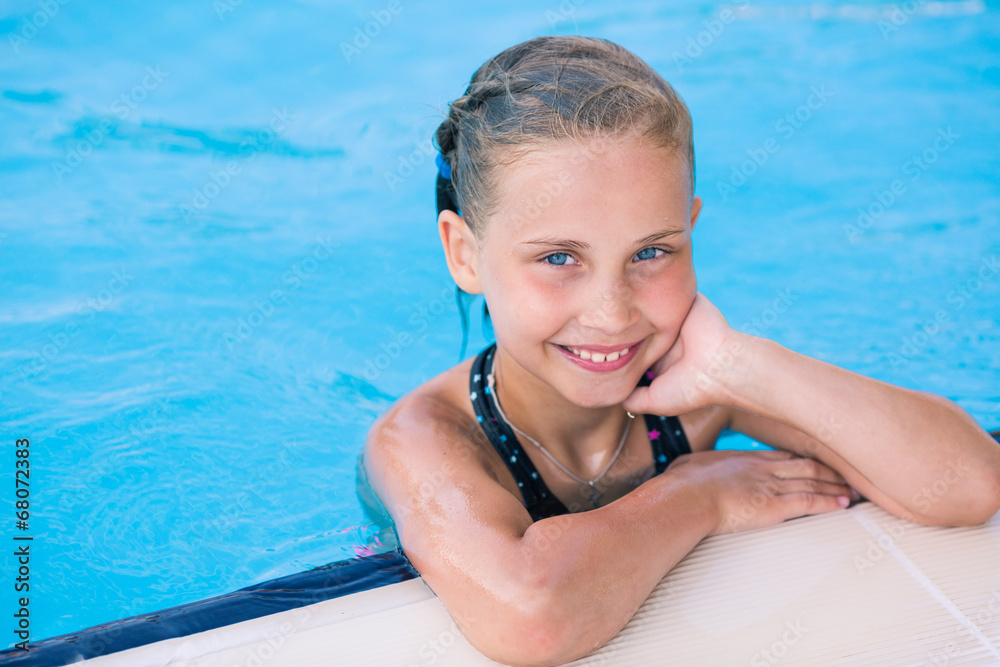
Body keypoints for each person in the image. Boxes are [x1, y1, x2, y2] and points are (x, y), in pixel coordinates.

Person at [362, 35, 1000, 667]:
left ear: (690, 231)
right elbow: (529, 618)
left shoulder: (694, 385)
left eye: (650, 252)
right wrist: (699, 494)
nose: (612, 314)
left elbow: (969, 485)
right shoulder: (423, 437)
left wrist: (744, 367)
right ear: (464, 254)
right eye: (559, 258)